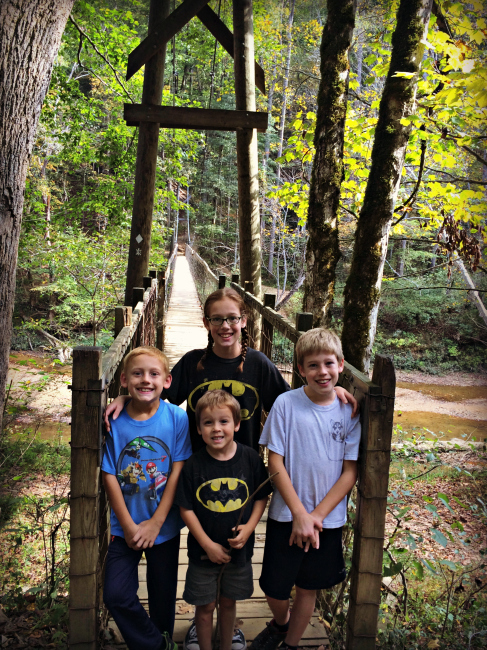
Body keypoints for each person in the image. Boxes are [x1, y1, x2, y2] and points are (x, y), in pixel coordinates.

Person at [104, 287, 357, 650]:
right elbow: (155, 396)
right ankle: (200, 624)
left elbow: (295, 400)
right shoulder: (192, 364)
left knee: (237, 551)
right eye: (218, 319)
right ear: (206, 323)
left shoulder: (259, 366)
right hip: (197, 473)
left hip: (244, 477)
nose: (226, 326)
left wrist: (338, 394)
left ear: (245, 320)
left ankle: (228, 627)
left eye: (233, 318)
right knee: (202, 553)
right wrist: (125, 395)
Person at [251, 329, 361, 650]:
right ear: (300, 370)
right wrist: (300, 514)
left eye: (329, 364)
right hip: (287, 513)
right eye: (312, 365)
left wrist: (315, 518)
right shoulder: (286, 404)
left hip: (327, 521)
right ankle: (281, 623)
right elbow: (275, 462)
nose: (321, 372)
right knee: (274, 586)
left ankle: (291, 644)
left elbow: (349, 471)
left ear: (341, 365)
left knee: (308, 588)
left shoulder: (348, 411)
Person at [102, 346, 192, 650]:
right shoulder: (114, 420)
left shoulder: (177, 418)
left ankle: (163, 636)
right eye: (137, 374)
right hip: (122, 526)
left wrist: (157, 522)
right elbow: (109, 473)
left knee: (163, 595)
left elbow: (178, 468)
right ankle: (157, 645)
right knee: (116, 594)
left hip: (163, 526)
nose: (146, 380)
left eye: (154, 374)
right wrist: (127, 526)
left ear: (167, 381)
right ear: (124, 380)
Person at [175, 390, 272, 650]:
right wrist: (207, 544)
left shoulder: (250, 458)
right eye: (208, 423)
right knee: (205, 605)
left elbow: (261, 496)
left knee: (229, 601)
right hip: (202, 553)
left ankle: (227, 645)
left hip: (239, 551)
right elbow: (186, 508)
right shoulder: (193, 465)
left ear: (237, 424)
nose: (216, 429)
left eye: (224, 421)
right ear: (198, 429)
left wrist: (250, 528)